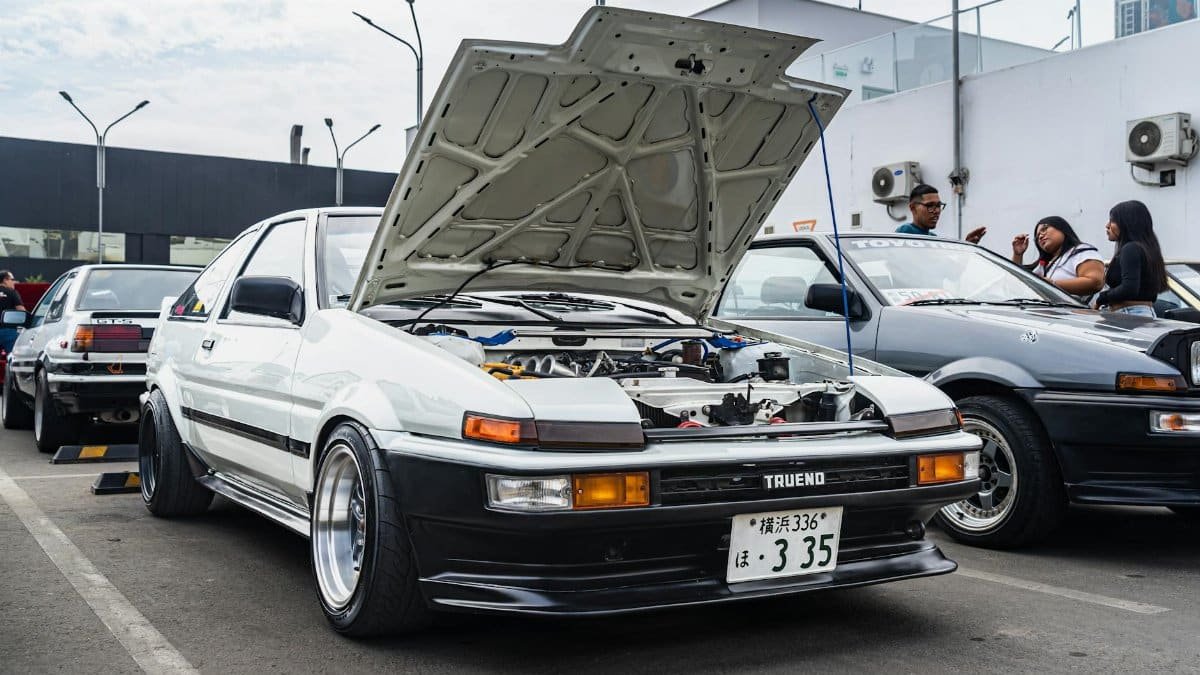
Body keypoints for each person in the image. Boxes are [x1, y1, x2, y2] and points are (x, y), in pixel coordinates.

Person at [1094, 200, 1167, 317]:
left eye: (1112, 221)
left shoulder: (1131, 248)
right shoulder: (1147, 249)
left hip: (1129, 314)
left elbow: (1129, 288)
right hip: (1144, 313)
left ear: (1127, 223)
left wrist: (1102, 298)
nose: (1107, 225)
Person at [1010, 216, 1105, 300]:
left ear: (1062, 229)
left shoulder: (1081, 251)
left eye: (1044, 229)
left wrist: (1052, 285)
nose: (1041, 236)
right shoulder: (1044, 265)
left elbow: (1095, 282)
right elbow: (1016, 284)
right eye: (1038, 236)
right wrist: (1017, 255)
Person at [895, 184, 987, 244]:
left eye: (938, 205)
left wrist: (968, 245)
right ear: (913, 208)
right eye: (930, 205)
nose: (937, 211)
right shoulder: (906, 232)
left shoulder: (934, 238)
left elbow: (950, 270)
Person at [0, 271, 26, 354]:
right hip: (8, 331)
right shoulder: (12, 292)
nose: (14, 282)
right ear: (5, 280)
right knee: (14, 357)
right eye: (12, 279)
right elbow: (22, 311)